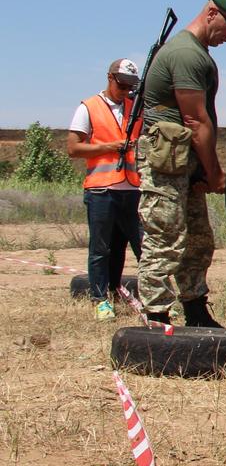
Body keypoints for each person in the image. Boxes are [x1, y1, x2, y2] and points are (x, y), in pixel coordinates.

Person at [135, 0, 226, 327]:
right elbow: (195, 121)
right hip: (166, 165)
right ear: (211, 13)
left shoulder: (198, 54)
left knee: (198, 241)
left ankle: (196, 312)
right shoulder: (186, 54)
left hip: (184, 164)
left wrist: (203, 170)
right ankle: (156, 319)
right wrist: (215, 174)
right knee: (164, 240)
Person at [67, 59, 144, 320]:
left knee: (141, 246)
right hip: (101, 190)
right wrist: (109, 147)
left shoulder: (136, 108)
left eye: (131, 87)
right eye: (122, 85)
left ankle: (152, 299)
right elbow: (73, 148)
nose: (126, 91)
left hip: (132, 189)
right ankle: (100, 300)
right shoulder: (88, 107)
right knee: (101, 249)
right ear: (110, 78)